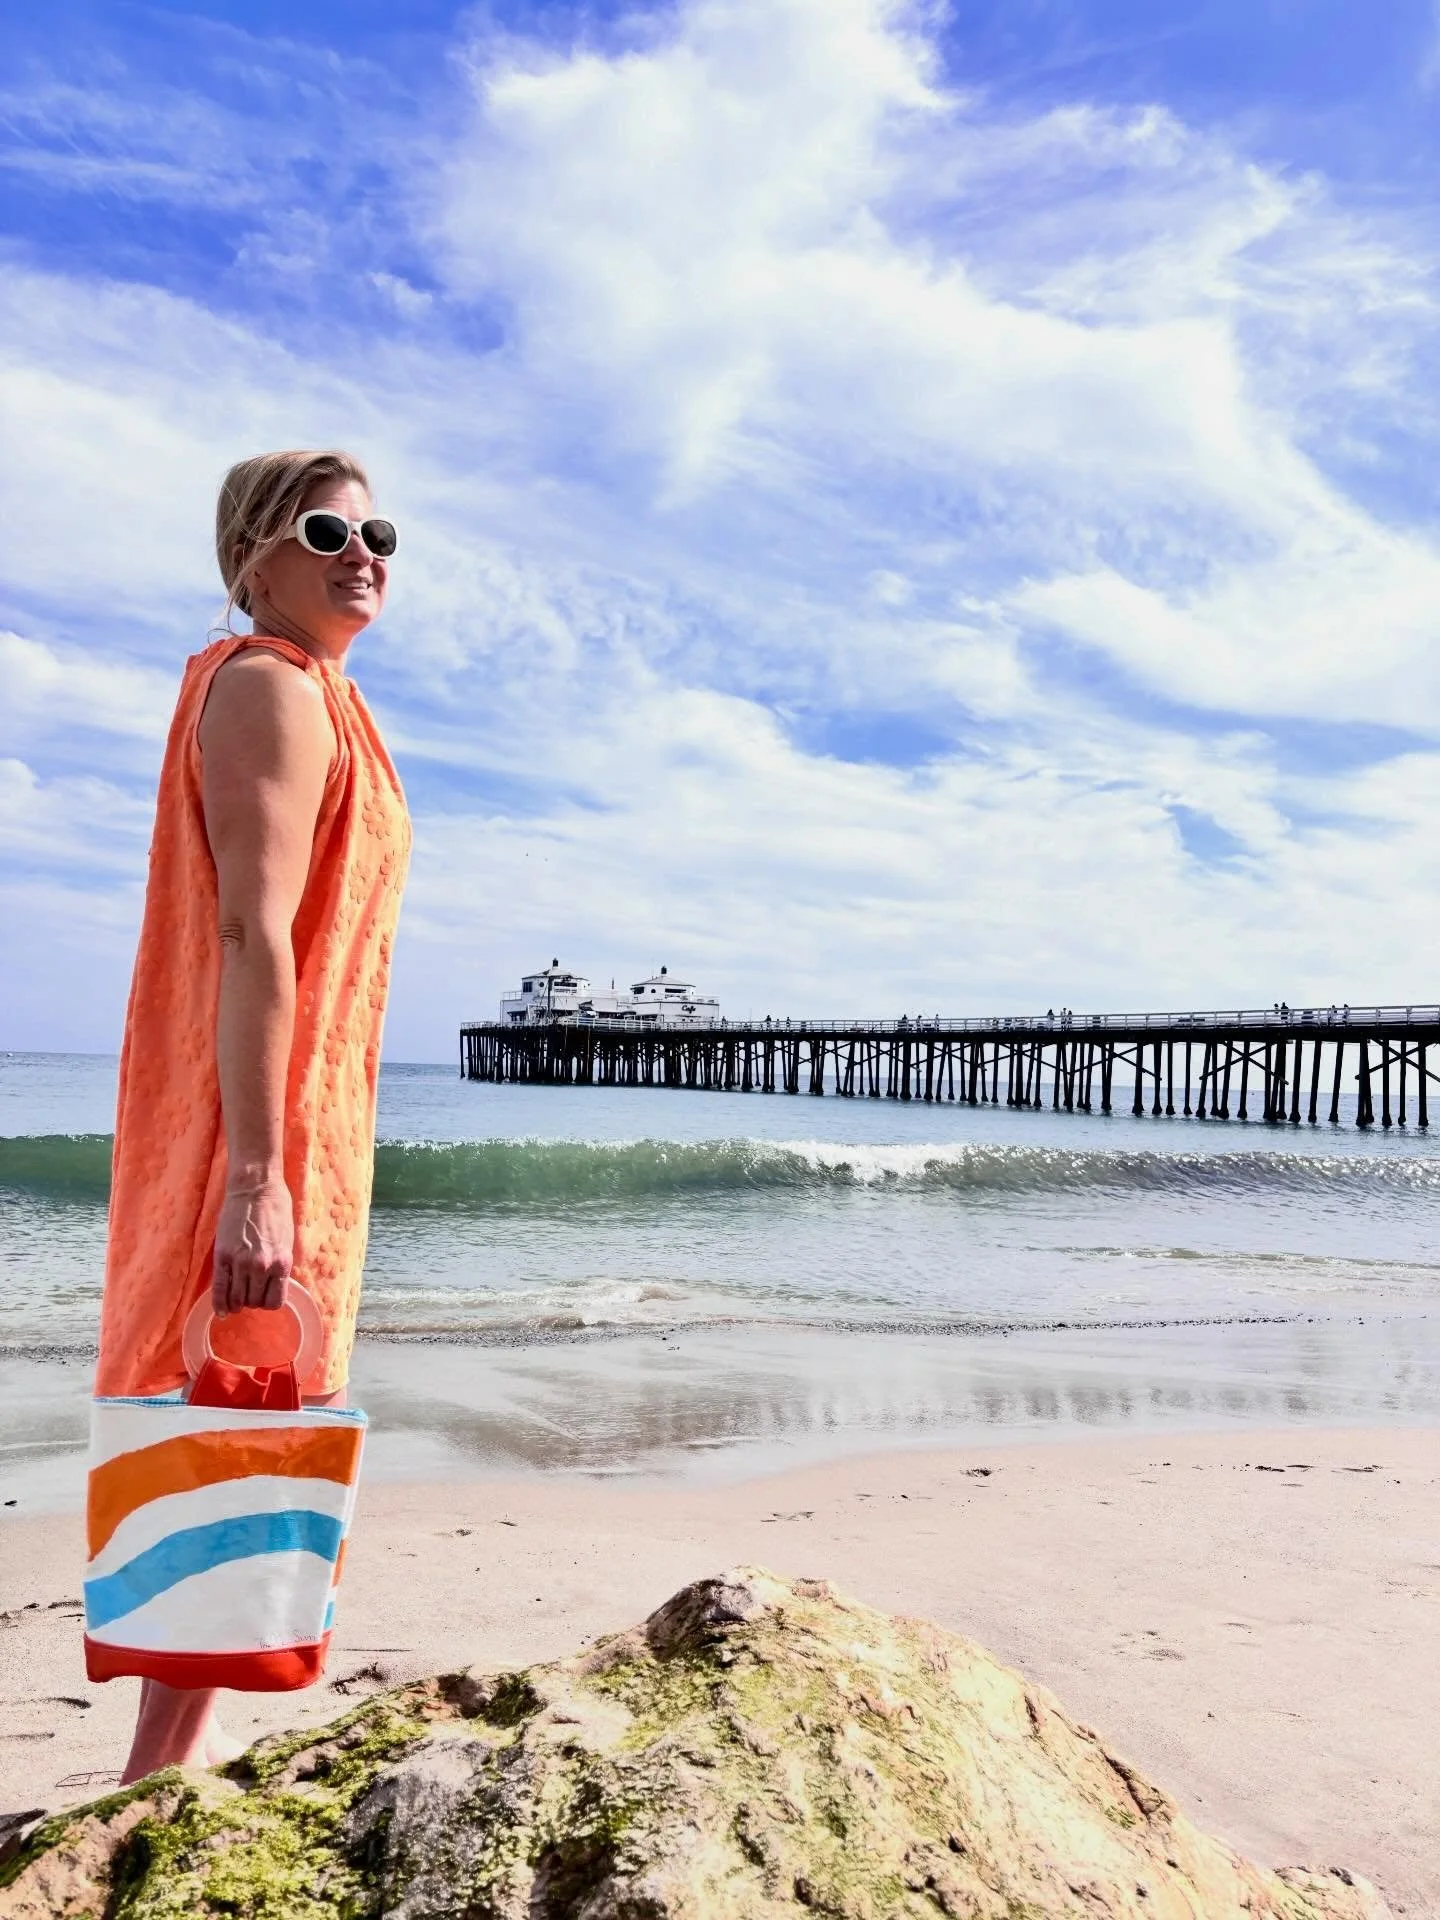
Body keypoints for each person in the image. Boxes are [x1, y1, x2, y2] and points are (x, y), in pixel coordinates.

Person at [93, 449, 411, 1782]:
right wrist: (256, 1174)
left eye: (378, 529)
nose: (364, 551)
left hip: (303, 1111)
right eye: (327, 527)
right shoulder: (271, 687)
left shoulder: (328, 698)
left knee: (254, 1416)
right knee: (228, 1414)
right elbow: (251, 933)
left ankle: (173, 1752)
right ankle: (151, 1775)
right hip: (259, 1121)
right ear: (252, 557)